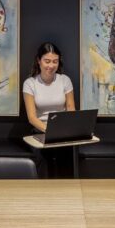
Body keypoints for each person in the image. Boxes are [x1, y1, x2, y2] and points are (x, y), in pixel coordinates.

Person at [22, 42, 75, 177]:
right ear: (39, 61)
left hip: (63, 133)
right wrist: (50, 131)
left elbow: (71, 110)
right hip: (40, 132)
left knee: (66, 171)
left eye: (55, 61)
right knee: (43, 170)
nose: (51, 65)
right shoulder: (30, 83)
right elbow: (32, 118)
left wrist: (65, 132)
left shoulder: (65, 80)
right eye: (47, 61)